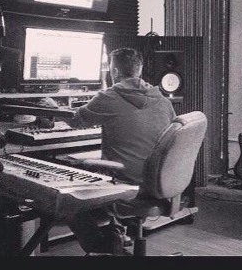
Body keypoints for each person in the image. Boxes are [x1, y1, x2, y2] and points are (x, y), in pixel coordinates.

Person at [39, 47, 176, 255]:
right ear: (139, 70)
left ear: (114, 71)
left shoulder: (109, 96)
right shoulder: (163, 100)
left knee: (68, 202)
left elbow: (76, 120)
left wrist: (53, 108)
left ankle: (105, 249)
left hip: (126, 186)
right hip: (160, 185)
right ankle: (115, 236)